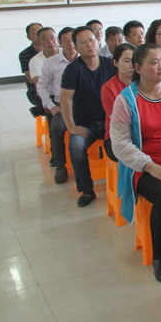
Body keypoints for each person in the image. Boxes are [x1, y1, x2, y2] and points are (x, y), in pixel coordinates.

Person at [111, 43, 161, 283]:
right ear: (138, 68)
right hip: (144, 167)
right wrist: (149, 166)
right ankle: (159, 256)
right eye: (154, 62)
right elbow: (120, 144)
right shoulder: (126, 100)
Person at [60, 26, 116, 207]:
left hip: (111, 123)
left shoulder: (110, 64)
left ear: (98, 41)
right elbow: (65, 99)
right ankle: (87, 190)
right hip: (86, 124)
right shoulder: (73, 69)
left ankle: (126, 187)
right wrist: (71, 126)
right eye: (83, 42)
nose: (89, 44)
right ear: (76, 47)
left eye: (91, 40)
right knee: (76, 147)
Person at [37, 27, 78, 183]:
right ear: (60, 42)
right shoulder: (51, 63)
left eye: (72, 39)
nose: (70, 43)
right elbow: (41, 86)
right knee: (56, 127)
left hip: (85, 108)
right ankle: (61, 166)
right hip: (63, 107)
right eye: (65, 40)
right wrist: (51, 106)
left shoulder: (87, 59)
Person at [100, 43, 135, 161]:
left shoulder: (144, 84)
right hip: (117, 138)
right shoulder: (108, 88)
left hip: (143, 133)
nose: (131, 65)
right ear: (115, 63)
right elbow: (117, 119)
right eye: (127, 61)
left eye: (134, 61)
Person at [18, 22, 43, 116]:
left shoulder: (56, 50)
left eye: (40, 31)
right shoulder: (25, 54)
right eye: (35, 32)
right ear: (28, 37)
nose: (39, 34)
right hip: (35, 88)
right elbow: (30, 78)